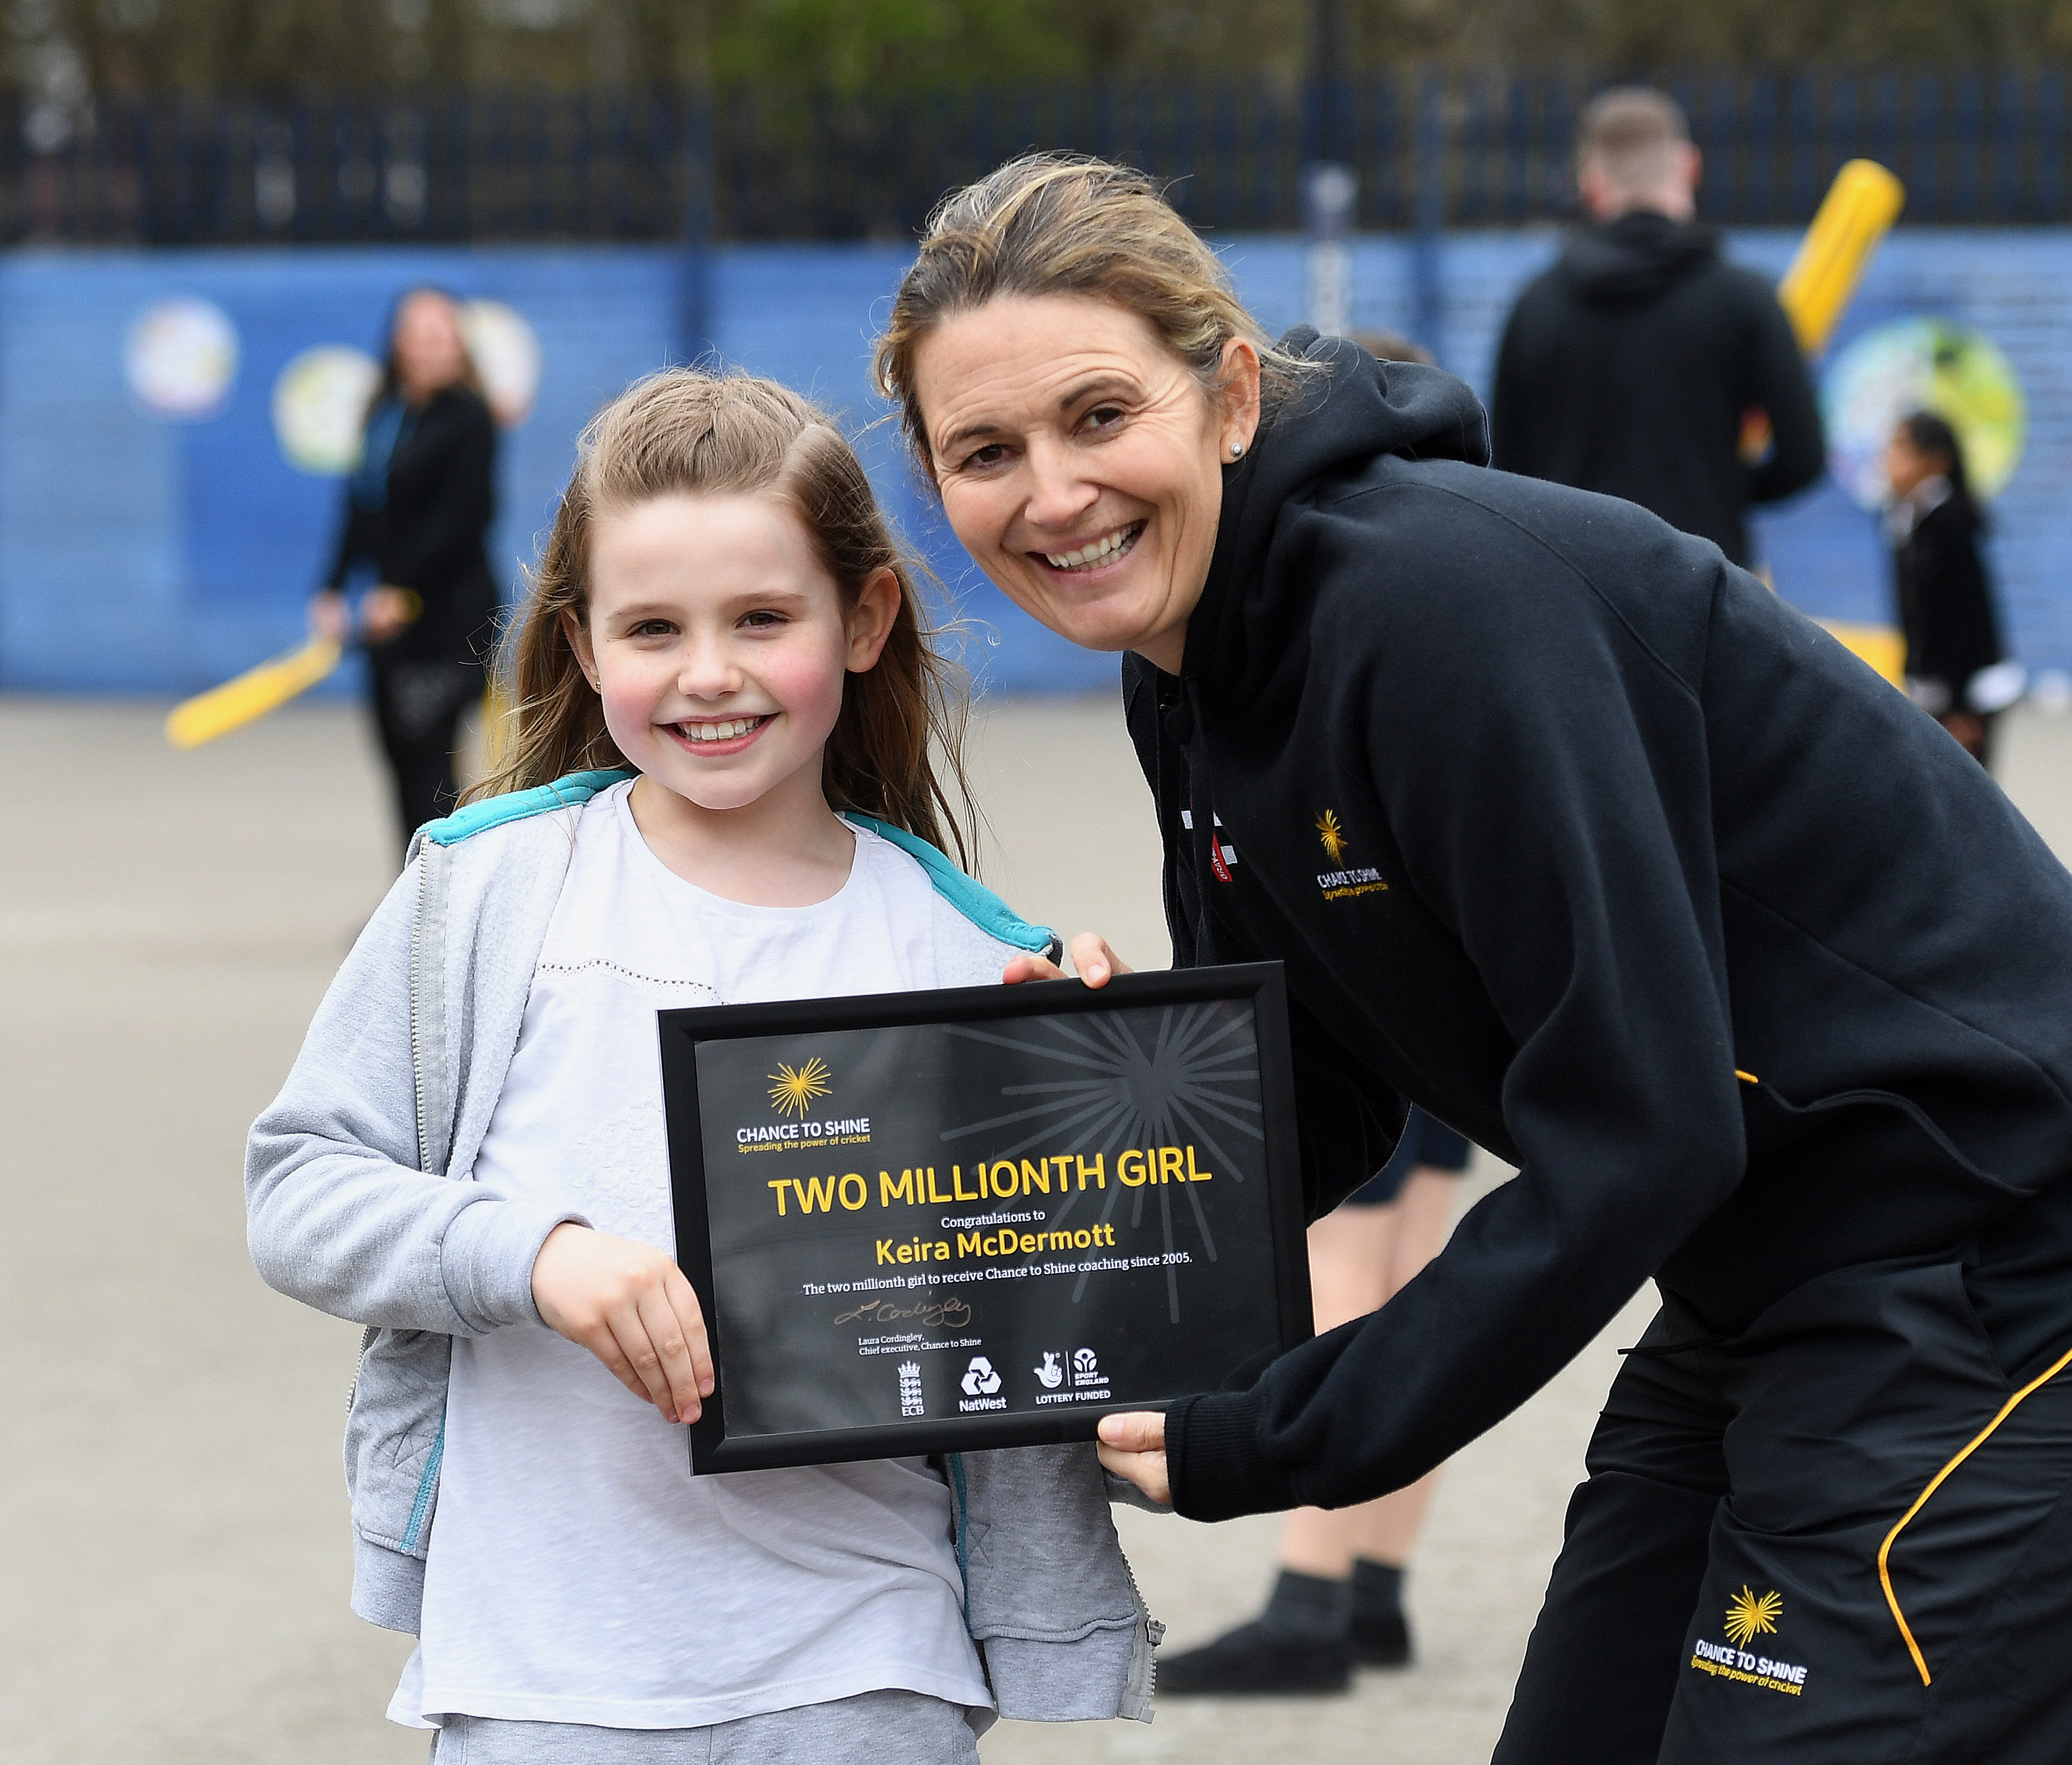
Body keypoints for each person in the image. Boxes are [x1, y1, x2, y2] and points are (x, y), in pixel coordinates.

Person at [873, 154, 2072, 1765]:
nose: (1051, 494)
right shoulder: (1186, 668)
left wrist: (1286, 1430)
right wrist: (1036, 1154)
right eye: (985, 452)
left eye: (1099, 417)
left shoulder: (1437, 606)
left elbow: (1643, 1127)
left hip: (2024, 1246)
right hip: (1764, 1269)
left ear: (1231, 396)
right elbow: (1311, 1100)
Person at [247, 368, 1155, 1760]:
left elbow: (1077, 1325)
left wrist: (1108, 1084)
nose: (708, 671)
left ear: (861, 619)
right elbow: (300, 1188)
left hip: (866, 1664)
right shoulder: (486, 891)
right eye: (653, 627)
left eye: (761, 617)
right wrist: (534, 1254)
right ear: (582, 642)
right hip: (539, 1673)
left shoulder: (970, 957)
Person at [1159, 323, 1476, 1698]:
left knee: (1349, 1269)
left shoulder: (1329, 634)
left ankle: (1308, 1587)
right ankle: (1375, 1584)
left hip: (1371, 991)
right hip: (1465, 1020)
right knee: (1409, 1257)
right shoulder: (1456, 595)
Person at [1489, 86, 1824, 571]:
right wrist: (1721, 490)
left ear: (1592, 184)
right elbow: (1803, 457)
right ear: (1690, 166)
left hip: (1576, 592)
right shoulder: (1744, 299)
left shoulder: (1535, 308)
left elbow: (1509, 473)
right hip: (1706, 588)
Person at [309, 286, 503, 849]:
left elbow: (464, 519)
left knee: (431, 769)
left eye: (445, 333)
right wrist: (333, 586)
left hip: (449, 620)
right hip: (387, 626)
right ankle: (411, 898)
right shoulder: (386, 415)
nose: (433, 345)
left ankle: (446, 905)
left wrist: (401, 589)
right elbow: (361, 504)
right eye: (420, 332)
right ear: (398, 343)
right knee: (396, 758)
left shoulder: (470, 419)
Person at [1885, 410, 2019, 769]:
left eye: (1902, 449)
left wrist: (1962, 708)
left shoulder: (1951, 524)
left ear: (1936, 461)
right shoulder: (1904, 520)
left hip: (1969, 691)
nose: (1889, 460)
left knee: (1967, 803)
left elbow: (1968, 617)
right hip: (1932, 688)